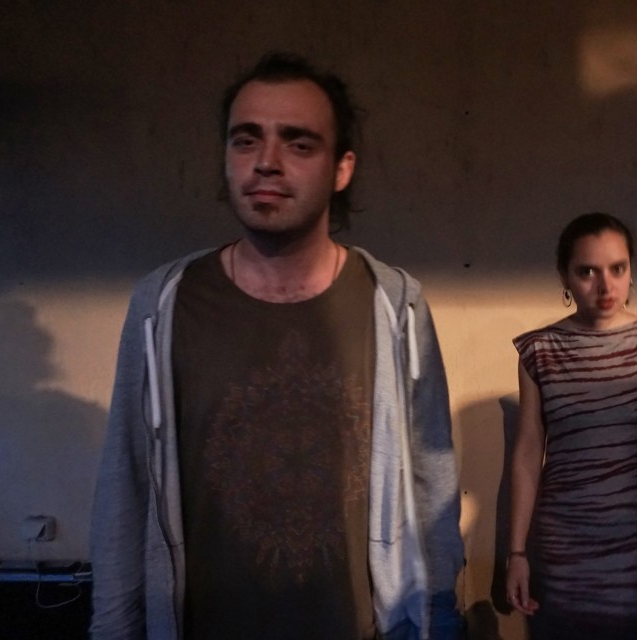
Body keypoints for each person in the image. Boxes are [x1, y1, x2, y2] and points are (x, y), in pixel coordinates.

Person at [89, 52, 464, 640]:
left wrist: (439, 619)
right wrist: (113, 628)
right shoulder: (162, 304)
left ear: (342, 168)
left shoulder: (395, 305)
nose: (266, 161)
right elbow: (125, 483)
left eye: (298, 143)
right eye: (246, 140)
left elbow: (430, 479)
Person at [505, 212, 637, 640]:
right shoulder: (539, 351)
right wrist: (517, 552)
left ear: (631, 269)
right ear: (564, 276)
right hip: (567, 550)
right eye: (587, 272)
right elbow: (527, 455)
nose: (605, 286)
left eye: (617, 269)